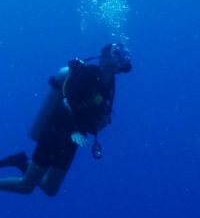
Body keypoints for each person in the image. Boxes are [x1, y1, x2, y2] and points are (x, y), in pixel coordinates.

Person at [0, 42, 132, 197]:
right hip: (55, 132)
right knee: (26, 186)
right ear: (103, 59)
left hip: (73, 140)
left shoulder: (109, 85)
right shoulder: (87, 75)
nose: (120, 59)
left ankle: (22, 161)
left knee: (50, 189)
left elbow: (94, 113)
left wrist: (102, 121)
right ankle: (22, 162)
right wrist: (75, 129)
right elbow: (65, 102)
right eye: (115, 54)